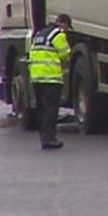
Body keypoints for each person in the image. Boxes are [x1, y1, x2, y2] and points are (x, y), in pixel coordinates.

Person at [28, 13, 73, 149]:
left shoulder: (40, 34)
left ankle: (43, 136)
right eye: (67, 27)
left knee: (42, 109)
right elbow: (65, 54)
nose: (66, 31)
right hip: (51, 78)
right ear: (63, 24)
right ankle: (49, 138)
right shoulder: (58, 35)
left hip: (36, 78)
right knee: (51, 110)